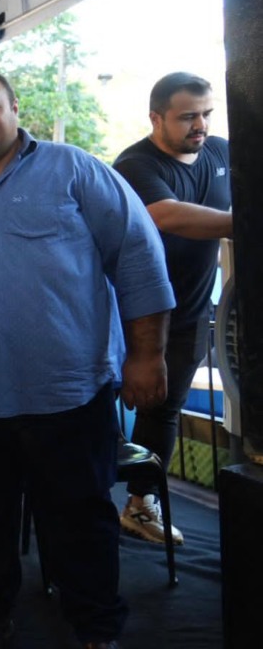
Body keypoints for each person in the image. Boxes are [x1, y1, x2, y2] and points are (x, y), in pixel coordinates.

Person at [0, 71, 174, 649]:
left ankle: (95, 626)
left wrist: (147, 355)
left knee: (80, 518)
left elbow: (137, 257)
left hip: (67, 394)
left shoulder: (75, 170)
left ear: (15, 108)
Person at [113, 72, 232, 546]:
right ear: (156, 117)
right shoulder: (135, 164)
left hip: (188, 314)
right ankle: (70, 501)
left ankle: (140, 505)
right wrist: (244, 223)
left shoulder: (221, 151)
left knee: (163, 410)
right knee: (95, 409)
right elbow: (169, 215)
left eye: (205, 113)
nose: (199, 125)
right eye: (187, 116)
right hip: (129, 316)